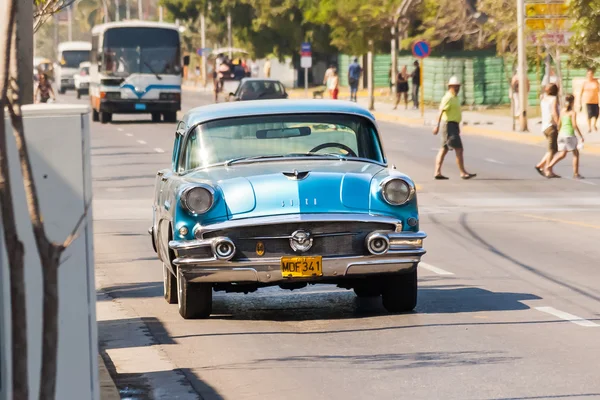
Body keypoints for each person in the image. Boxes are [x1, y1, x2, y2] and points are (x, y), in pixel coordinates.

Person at [432, 76, 476, 180]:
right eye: (455, 86)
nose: (457, 88)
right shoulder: (448, 97)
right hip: (448, 125)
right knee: (459, 149)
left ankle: (437, 172)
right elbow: (441, 111)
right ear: (450, 87)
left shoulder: (455, 97)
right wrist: (436, 126)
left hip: (453, 125)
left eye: (458, 86)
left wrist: (457, 126)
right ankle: (463, 172)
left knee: (444, 148)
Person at [545, 94, 585, 179]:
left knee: (562, 153)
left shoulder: (562, 111)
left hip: (562, 134)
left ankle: (549, 165)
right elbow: (574, 125)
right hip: (569, 134)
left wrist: (559, 132)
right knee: (575, 154)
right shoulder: (572, 112)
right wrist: (580, 135)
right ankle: (576, 173)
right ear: (573, 102)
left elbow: (559, 124)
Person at [535, 83, 560, 178]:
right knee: (551, 150)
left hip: (545, 126)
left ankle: (541, 165)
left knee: (554, 149)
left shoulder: (543, 98)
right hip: (551, 126)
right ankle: (548, 170)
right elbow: (554, 112)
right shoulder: (553, 99)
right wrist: (558, 124)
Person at [579, 68, 599, 133]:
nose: (590, 75)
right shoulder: (585, 83)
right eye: (589, 74)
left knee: (597, 114)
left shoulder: (596, 82)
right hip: (588, 101)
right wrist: (580, 102)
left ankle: (594, 125)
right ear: (587, 75)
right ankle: (589, 127)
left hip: (596, 101)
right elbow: (581, 93)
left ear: (593, 74)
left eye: (591, 74)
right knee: (589, 114)